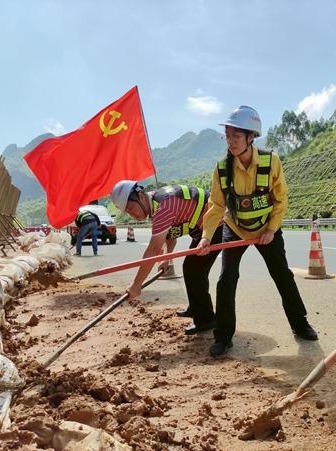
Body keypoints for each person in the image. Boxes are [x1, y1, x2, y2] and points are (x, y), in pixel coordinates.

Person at [197, 105, 318, 358]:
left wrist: (272, 230)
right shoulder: (221, 168)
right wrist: (207, 237)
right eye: (228, 136)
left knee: (282, 275)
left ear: (251, 136)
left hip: (266, 229)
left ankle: (301, 324)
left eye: (236, 136)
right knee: (226, 280)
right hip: (235, 229)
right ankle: (223, 336)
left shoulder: (270, 161)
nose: (231, 141)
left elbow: (281, 199)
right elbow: (216, 205)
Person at [110, 181, 223, 335]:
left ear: (141, 196)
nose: (132, 214)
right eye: (127, 212)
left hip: (217, 225)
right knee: (190, 268)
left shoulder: (163, 207)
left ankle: (207, 319)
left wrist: (136, 285)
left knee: (195, 270)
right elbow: (170, 236)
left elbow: (153, 249)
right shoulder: (156, 202)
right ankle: (196, 308)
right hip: (203, 230)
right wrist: (165, 260)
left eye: (130, 208)